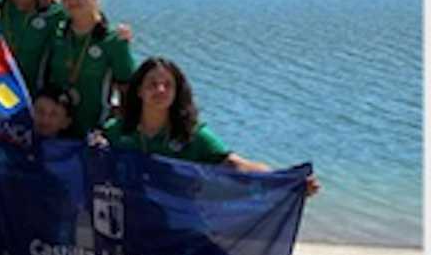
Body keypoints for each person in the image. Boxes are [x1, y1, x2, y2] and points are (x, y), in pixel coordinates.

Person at [100, 57, 322, 196]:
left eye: (168, 85)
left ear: (177, 92)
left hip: (182, 223)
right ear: (139, 90)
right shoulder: (117, 130)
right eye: (152, 84)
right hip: (131, 221)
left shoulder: (193, 134)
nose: (160, 90)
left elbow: (237, 165)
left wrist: (287, 181)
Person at [44, 0, 136, 138]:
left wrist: (118, 131)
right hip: (56, 133)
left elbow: (129, 92)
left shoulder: (113, 39)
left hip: (95, 135)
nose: (73, 0)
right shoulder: (57, 33)